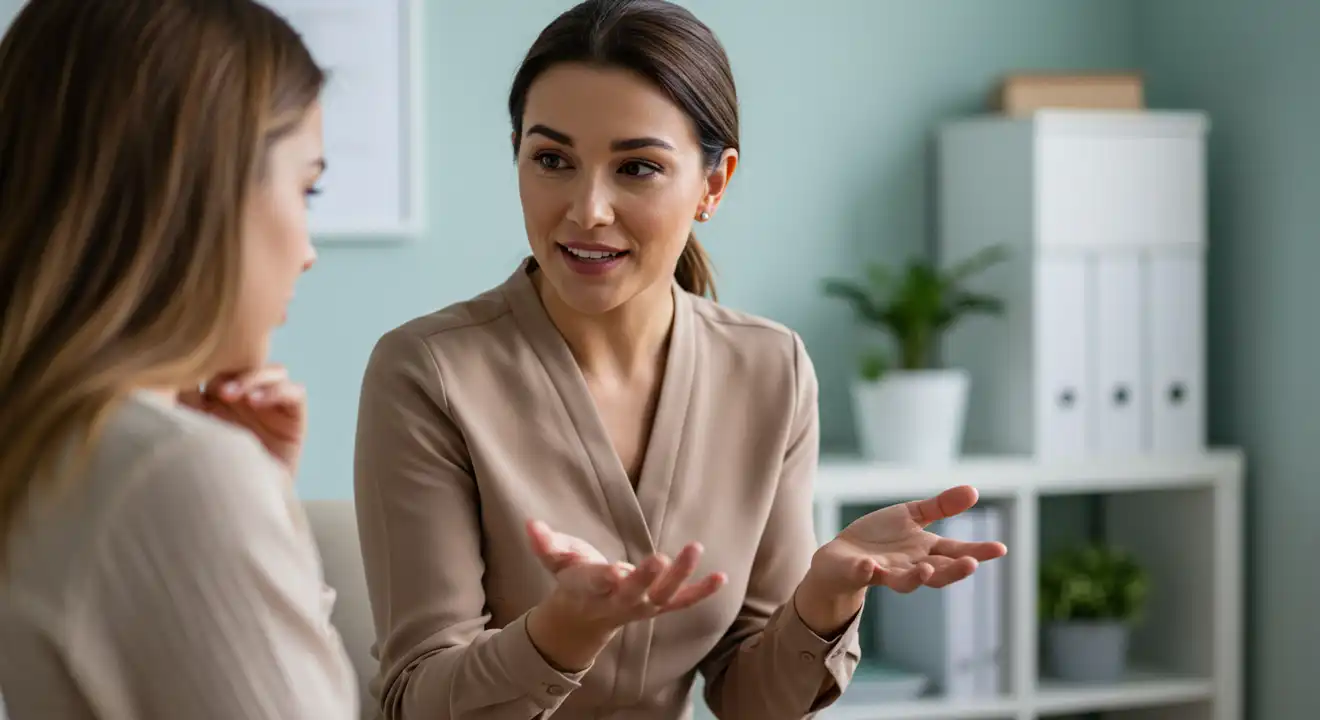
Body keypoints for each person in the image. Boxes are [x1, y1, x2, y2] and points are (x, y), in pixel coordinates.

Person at [353, 0, 1007, 718]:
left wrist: (825, 596)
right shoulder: (427, 372)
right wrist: (561, 634)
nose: (588, 209)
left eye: (636, 167)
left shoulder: (772, 369)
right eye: (552, 160)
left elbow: (749, 699)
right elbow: (417, 698)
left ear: (712, 185)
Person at [0, 1, 358, 718]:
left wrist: (259, 500)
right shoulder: (168, 471)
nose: (308, 252)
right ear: (199, 191)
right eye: (306, 189)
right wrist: (225, 487)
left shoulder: (44, 442)